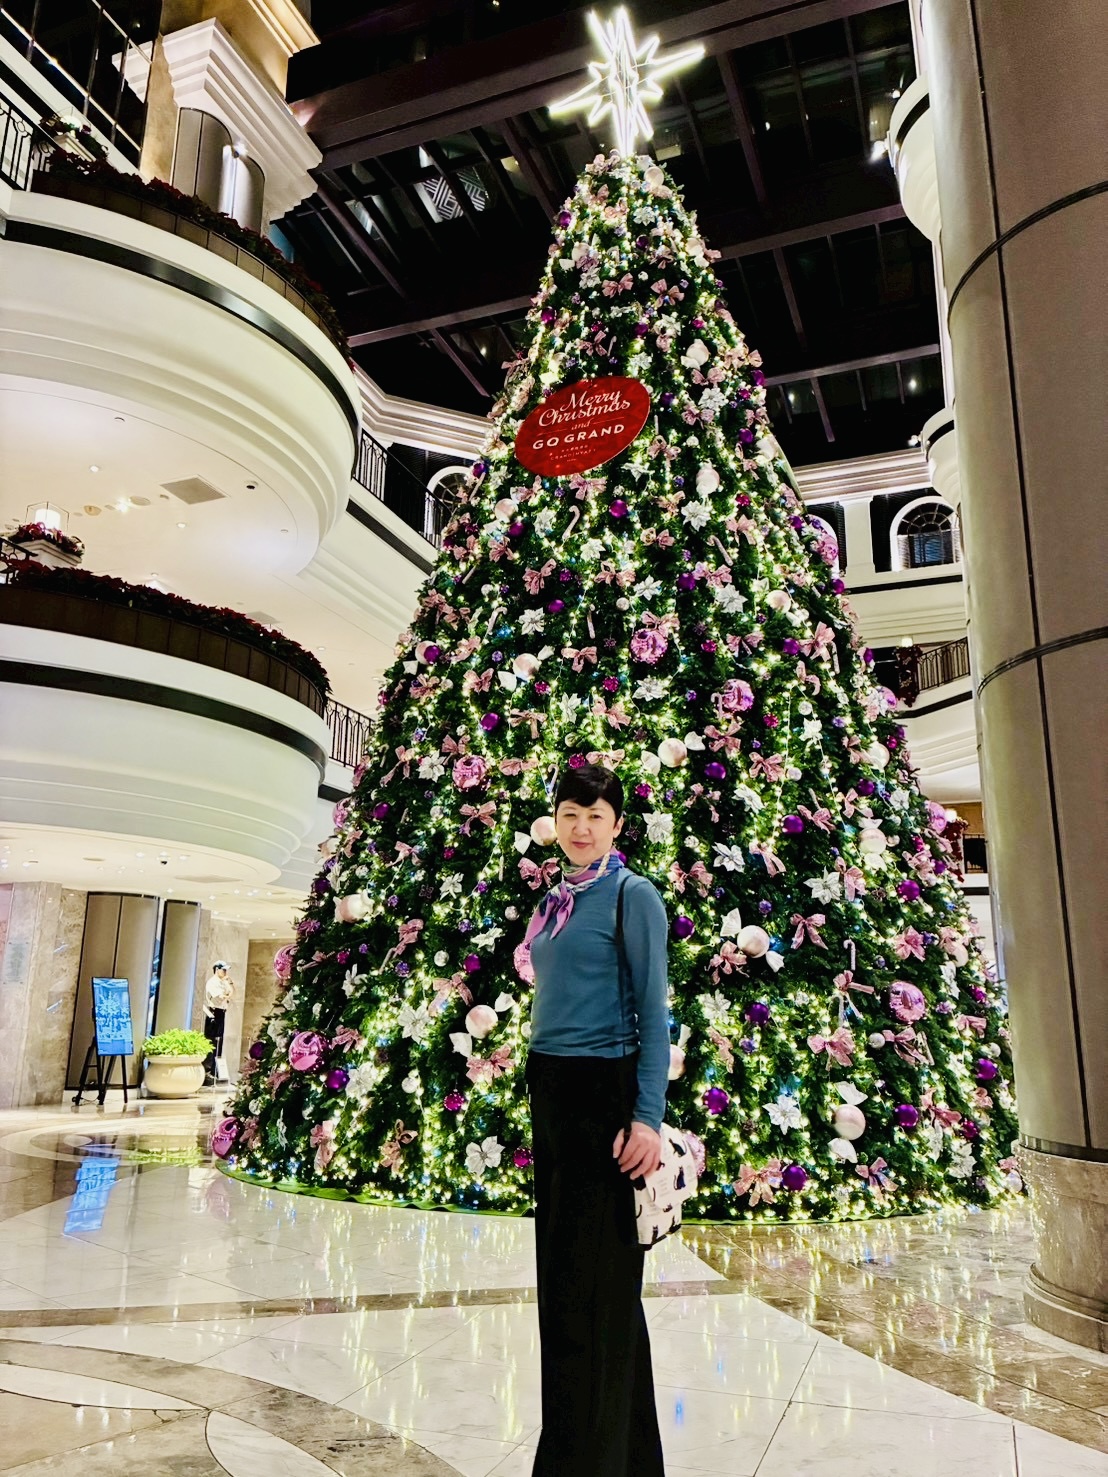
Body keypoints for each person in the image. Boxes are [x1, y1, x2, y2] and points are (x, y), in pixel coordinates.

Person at [523, 762, 670, 1477]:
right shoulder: (554, 899)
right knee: (566, 1289)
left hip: (602, 1097)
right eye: (570, 815)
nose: (581, 828)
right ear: (555, 822)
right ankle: (622, 1459)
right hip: (551, 1093)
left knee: (597, 1292)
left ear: (616, 825)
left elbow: (654, 1011)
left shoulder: (632, 895)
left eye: (595, 815)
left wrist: (646, 1117)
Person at [202, 961, 235, 1085]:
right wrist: (227, 995)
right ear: (217, 969)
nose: (225, 972)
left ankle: (215, 1071)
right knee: (211, 1041)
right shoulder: (213, 982)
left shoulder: (223, 982)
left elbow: (232, 993)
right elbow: (221, 997)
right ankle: (207, 1071)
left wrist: (229, 984)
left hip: (221, 1012)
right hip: (213, 1013)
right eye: (223, 970)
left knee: (219, 1041)